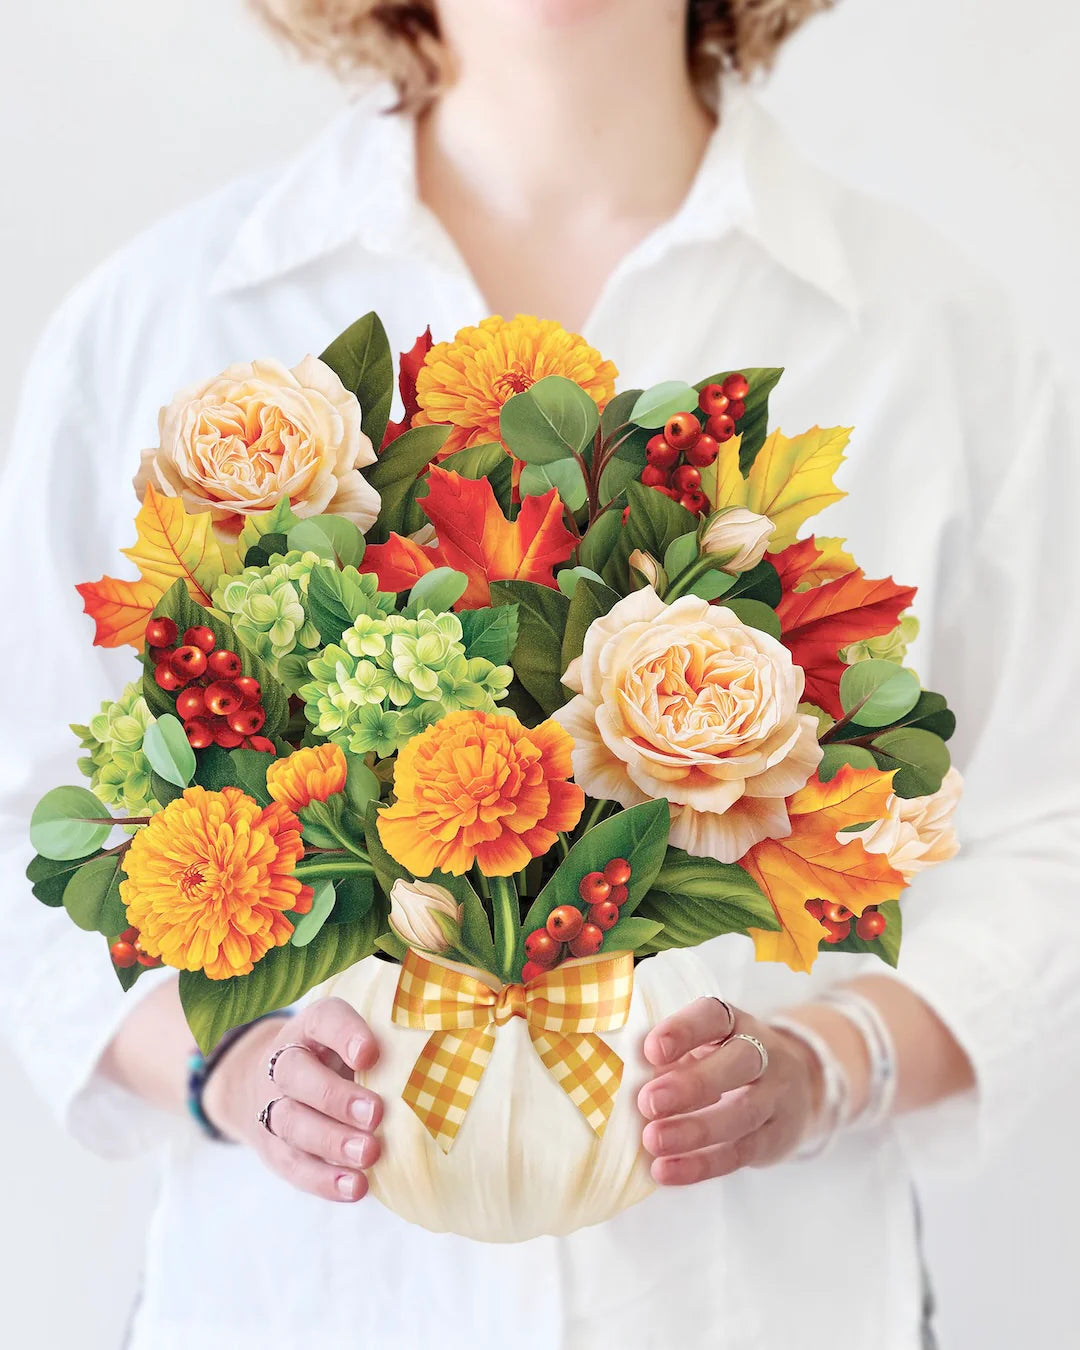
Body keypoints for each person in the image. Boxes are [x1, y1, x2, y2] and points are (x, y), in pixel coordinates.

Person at [1, 1, 1077, 1347]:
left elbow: (1049, 831)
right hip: (299, 1308)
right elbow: (25, 829)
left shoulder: (937, 336)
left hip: (767, 1307)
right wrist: (226, 1067)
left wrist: (825, 1063)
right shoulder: (157, 320)